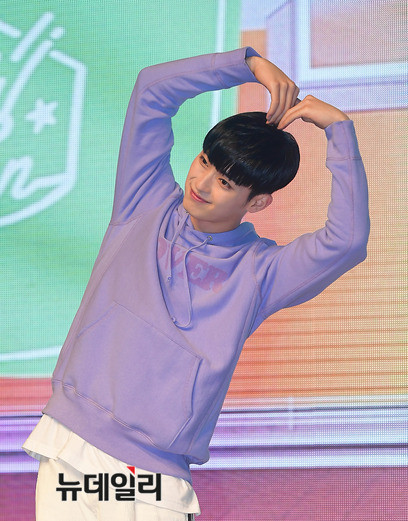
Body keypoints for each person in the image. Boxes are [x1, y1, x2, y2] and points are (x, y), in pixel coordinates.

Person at [23, 46, 369, 520]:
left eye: (226, 183)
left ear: (257, 202)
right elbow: (152, 91)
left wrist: (339, 131)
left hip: (151, 474)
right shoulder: (144, 204)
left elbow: (345, 242)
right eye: (205, 161)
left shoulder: (261, 272)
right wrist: (247, 65)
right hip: (70, 442)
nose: (202, 184)